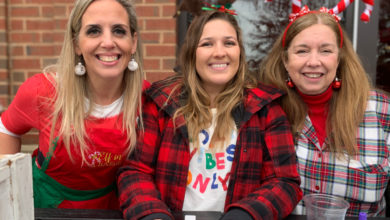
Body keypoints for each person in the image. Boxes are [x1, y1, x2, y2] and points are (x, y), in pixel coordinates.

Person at [117, 9, 302, 220]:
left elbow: (284, 182)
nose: (219, 52)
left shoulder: (266, 109)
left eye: (229, 43)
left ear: (240, 52)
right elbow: (135, 172)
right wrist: (151, 215)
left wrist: (245, 214)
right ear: (191, 54)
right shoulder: (162, 104)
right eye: (207, 44)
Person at [0, 0, 148, 210]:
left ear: (133, 42)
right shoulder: (42, 91)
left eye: (118, 31)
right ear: (77, 43)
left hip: (113, 209)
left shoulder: (146, 99)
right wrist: (8, 191)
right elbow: (6, 129)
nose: (108, 42)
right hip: (46, 207)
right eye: (94, 31)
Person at [258, 6, 390, 217]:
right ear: (285, 60)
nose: (313, 62)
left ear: (339, 59)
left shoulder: (382, 112)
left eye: (326, 51)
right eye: (302, 51)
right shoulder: (266, 112)